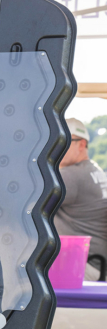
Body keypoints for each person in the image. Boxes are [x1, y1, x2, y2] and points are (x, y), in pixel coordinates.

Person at [55, 118, 107, 281]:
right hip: (98, 265)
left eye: (63, 141)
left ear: (82, 144)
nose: (56, 147)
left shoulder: (71, 176)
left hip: (82, 267)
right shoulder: (94, 170)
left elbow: (27, 202)